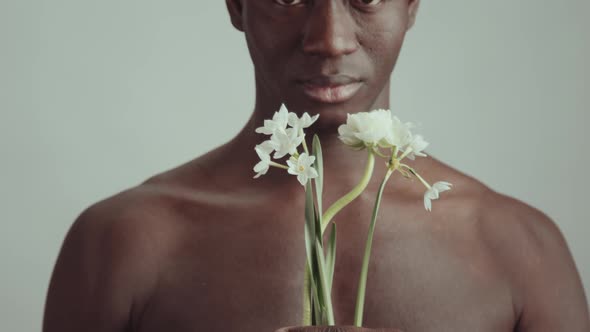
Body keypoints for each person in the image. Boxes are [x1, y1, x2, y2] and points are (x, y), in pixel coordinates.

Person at [43, 1, 590, 331]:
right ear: (237, 4)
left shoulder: (520, 251)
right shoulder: (124, 245)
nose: (330, 39)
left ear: (412, 5)